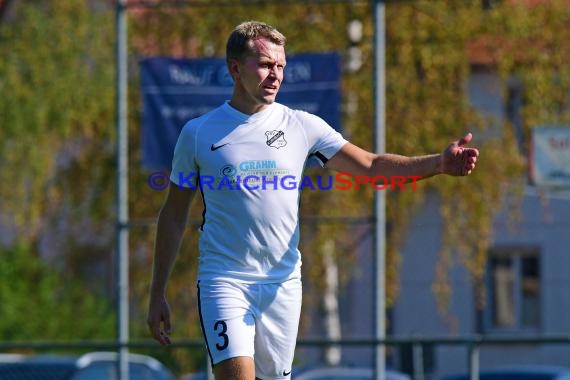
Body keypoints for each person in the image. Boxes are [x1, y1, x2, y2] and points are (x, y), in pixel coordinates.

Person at [147, 20, 479, 380]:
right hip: (225, 280)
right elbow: (174, 215)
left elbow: (370, 165)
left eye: (280, 67)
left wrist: (438, 164)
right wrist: (157, 292)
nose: (275, 75)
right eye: (265, 65)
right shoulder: (197, 133)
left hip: (283, 283)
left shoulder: (303, 126)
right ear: (235, 67)